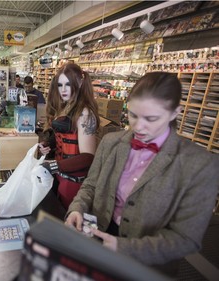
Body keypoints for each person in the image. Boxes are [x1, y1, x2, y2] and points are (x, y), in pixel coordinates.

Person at [65, 72, 219, 277]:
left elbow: (186, 238)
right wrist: (77, 208)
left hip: (147, 265)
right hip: (96, 244)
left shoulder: (200, 165)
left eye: (151, 118)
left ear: (175, 113)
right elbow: (91, 185)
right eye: (133, 115)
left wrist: (125, 248)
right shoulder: (111, 142)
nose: (138, 127)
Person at [39, 63, 100, 209]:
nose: (63, 89)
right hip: (61, 176)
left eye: (68, 84)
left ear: (79, 82)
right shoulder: (67, 105)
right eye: (60, 85)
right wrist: (49, 145)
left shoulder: (85, 113)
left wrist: (54, 165)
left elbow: (88, 156)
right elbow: (66, 135)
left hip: (74, 182)